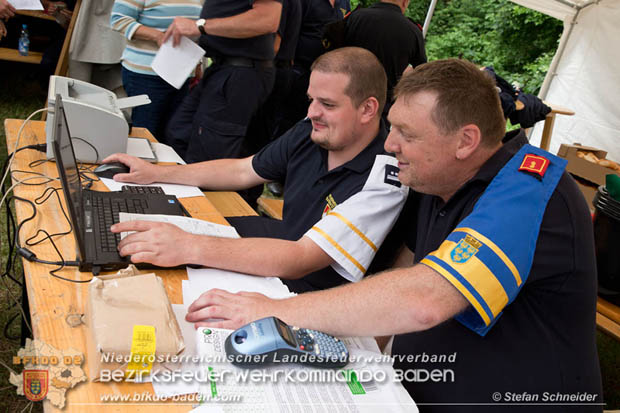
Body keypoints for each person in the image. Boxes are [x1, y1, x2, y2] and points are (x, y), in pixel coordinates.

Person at [184, 59, 603, 411]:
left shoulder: (531, 190)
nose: (389, 144)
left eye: (407, 133)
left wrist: (273, 312)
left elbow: (424, 298)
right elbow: (408, 267)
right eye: (392, 127)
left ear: (466, 141)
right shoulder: (436, 178)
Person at [106, 47, 408, 293]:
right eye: (311, 100)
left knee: (161, 277)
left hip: (307, 292)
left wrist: (189, 247)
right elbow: (243, 171)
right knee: (146, 231)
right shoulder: (312, 131)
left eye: (327, 104)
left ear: (368, 109)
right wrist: (156, 173)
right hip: (281, 248)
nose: (312, 112)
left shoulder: (386, 178)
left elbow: (301, 259)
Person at [161, 0, 282, 164]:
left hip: (240, 72)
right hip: (221, 67)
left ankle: (212, 188)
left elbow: (267, 20)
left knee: (211, 152)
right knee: (180, 133)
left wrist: (200, 26)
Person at [110, 0, 203, 143]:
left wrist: (198, 63)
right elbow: (118, 20)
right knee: (148, 133)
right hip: (146, 74)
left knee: (174, 133)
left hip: (182, 73)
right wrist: (158, 36)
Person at [343, 0, 426, 113]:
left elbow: (332, 53)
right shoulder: (413, 31)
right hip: (382, 106)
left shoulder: (355, 17)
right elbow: (421, 72)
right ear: (405, 2)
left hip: (347, 94)